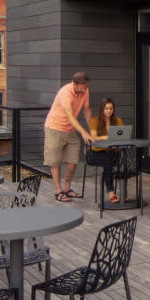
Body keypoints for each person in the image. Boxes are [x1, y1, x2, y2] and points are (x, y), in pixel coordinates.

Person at [44, 71, 94, 202]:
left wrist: (92, 129)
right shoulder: (65, 93)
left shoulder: (85, 91)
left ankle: (67, 189)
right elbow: (70, 117)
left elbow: (87, 109)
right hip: (55, 127)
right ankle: (59, 192)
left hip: (70, 130)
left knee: (73, 160)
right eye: (82, 87)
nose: (84, 89)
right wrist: (83, 132)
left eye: (86, 87)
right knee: (55, 161)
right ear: (75, 83)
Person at [88, 98, 124, 205]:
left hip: (112, 152)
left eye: (111, 108)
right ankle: (111, 193)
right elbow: (93, 138)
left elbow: (122, 135)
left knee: (124, 163)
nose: (109, 111)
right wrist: (107, 137)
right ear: (102, 109)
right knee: (108, 165)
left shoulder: (118, 121)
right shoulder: (95, 121)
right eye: (106, 108)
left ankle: (124, 193)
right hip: (97, 152)